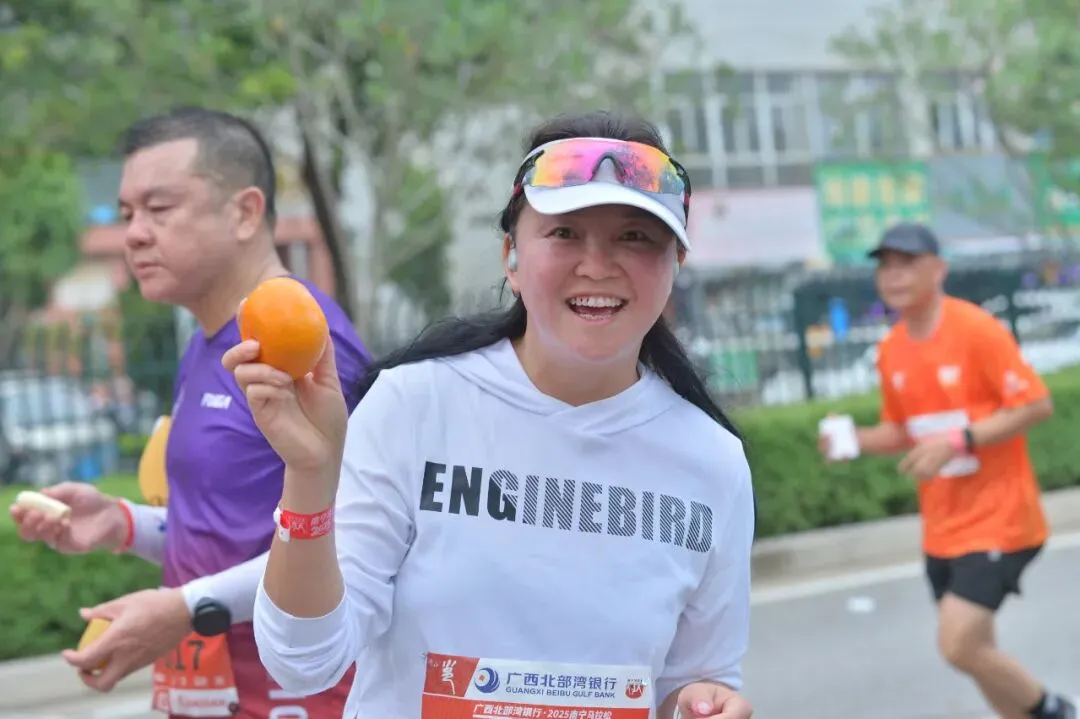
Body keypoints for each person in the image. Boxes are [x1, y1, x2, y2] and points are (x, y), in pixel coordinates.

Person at [223, 110, 756, 719]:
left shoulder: (713, 462)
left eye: (635, 237)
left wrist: (704, 703)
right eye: (565, 233)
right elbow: (302, 660)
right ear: (511, 256)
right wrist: (309, 478)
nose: (598, 264)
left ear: (676, 264)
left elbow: (697, 681)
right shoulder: (415, 405)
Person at [10, 107, 369, 719]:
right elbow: (228, 530)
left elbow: (356, 545)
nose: (134, 234)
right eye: (126, 214)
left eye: (159, 208)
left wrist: (186, 608)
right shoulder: (210, 342)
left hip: (299, 701)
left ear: (245, 212)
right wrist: (122, 522)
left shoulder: (308, 349)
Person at [818, 222, 1073, 719]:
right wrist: (852, 440)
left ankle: (1057, 709)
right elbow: (901, 430)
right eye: (885, 266)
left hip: (1001, 519)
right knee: (980, 655)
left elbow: (1035, 404)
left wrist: (959, 440)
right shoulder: (892, 349)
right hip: (943, 529)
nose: (894, 275)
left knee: (958, 645)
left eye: (907, 263)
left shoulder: (976, 330)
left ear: (939, 269)